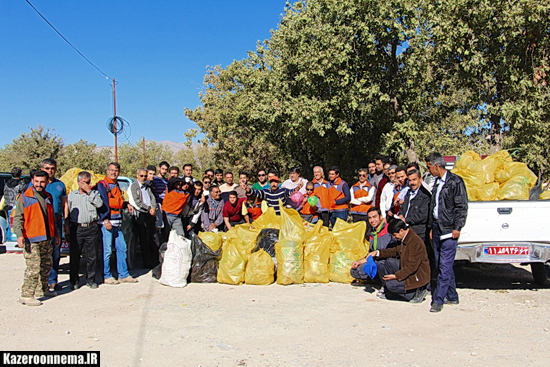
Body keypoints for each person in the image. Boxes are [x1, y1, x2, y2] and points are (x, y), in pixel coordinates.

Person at [426, 152, 468, 312]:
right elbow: (434, 206)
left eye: (430, 167)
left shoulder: (455, 182)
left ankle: (438, 299)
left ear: (437, 166)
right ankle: (452, 295)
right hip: (437, 228)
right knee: (440, 264)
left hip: (450, 230)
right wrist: (431, 227)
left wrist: (458, 227)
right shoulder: (437, 182)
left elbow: (461, 207)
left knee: (445, 264)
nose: (429, 171)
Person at [13, 170, 59, 306]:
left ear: (46, 182)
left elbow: (51, 218)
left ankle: (43, 289)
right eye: (36, 181)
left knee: (46, 265)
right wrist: (20, 235)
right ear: (32, 181)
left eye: (42, 182)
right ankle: (26, 295)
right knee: (33, 268)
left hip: (46, 237)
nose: (39, 184)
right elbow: (18, 218)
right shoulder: (24, 198)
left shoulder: (48, 197)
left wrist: (55, 234)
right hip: (31, 238)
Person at [358, 219, 430, 303]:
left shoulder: (414, 242)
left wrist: (396, 276)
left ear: (401, 231)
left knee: (391, 284)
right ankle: (391, 290)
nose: (394, 237)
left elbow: (412, 267)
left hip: (417, 276)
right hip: (407, 268)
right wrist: (377, 252)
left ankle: (414, 293)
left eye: (395, 235)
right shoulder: (406, 239)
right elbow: (395, 251)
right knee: (388, 262)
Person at [97, 162, 137, 285]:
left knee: (122, 248)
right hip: (107, 223)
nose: (114, 173)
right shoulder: (102, 185)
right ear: (107, 171)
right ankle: (106, 275)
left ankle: (123, 274)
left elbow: (119, 201)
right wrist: (105, 220)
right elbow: (101, 204)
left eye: (116, 171)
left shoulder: (116, 185)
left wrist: (127, 204)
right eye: (112, 170)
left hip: (118, 222)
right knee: (107, 251)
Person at [67, 171, 103, 290]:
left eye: (88, 182)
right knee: (75, 255)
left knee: (92, 256)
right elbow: (68, 211)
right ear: (78, 182)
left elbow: (99, 204)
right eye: (83, 182)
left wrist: (89, 191)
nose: (86, 185)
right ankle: (74, 280)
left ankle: (91, 280)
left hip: (91, 227)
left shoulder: (95, 193)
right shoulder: (72, 195)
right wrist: (66, 227)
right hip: (77, 227)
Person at [37, 158, 67, 292]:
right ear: (42, 169)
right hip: (40, 223)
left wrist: (66, 222)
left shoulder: (60, 185)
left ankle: (53, 281)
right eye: (47, 168)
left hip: (57, 222)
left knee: (55, 253)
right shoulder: (36, 184)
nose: (50, 171)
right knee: (40, 253)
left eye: (52, 168)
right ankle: (40, 283)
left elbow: (64, 204)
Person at [130, 168, 159, 269]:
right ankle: (146, 262)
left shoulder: (147, 186)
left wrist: (154, 207)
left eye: (145, 176)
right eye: (141, 176)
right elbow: (137, 202)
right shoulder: (134, 187)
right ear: (137, 176)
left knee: (153, 239)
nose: (143, 178)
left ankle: (154, 260)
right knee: (144, 241)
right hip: (142, 215)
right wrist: (149, 208)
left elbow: (152, 198)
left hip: (150, 214)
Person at [398, 169, 431, 242]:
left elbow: (423, 216)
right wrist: (400, 215)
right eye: (410, 180)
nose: (412, 183)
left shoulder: (425, 196)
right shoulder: (408, 193)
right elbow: (403, 208)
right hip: (407, 231)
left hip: (419, 232)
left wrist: (406, 219)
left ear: (420, 179)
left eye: (414, 180)